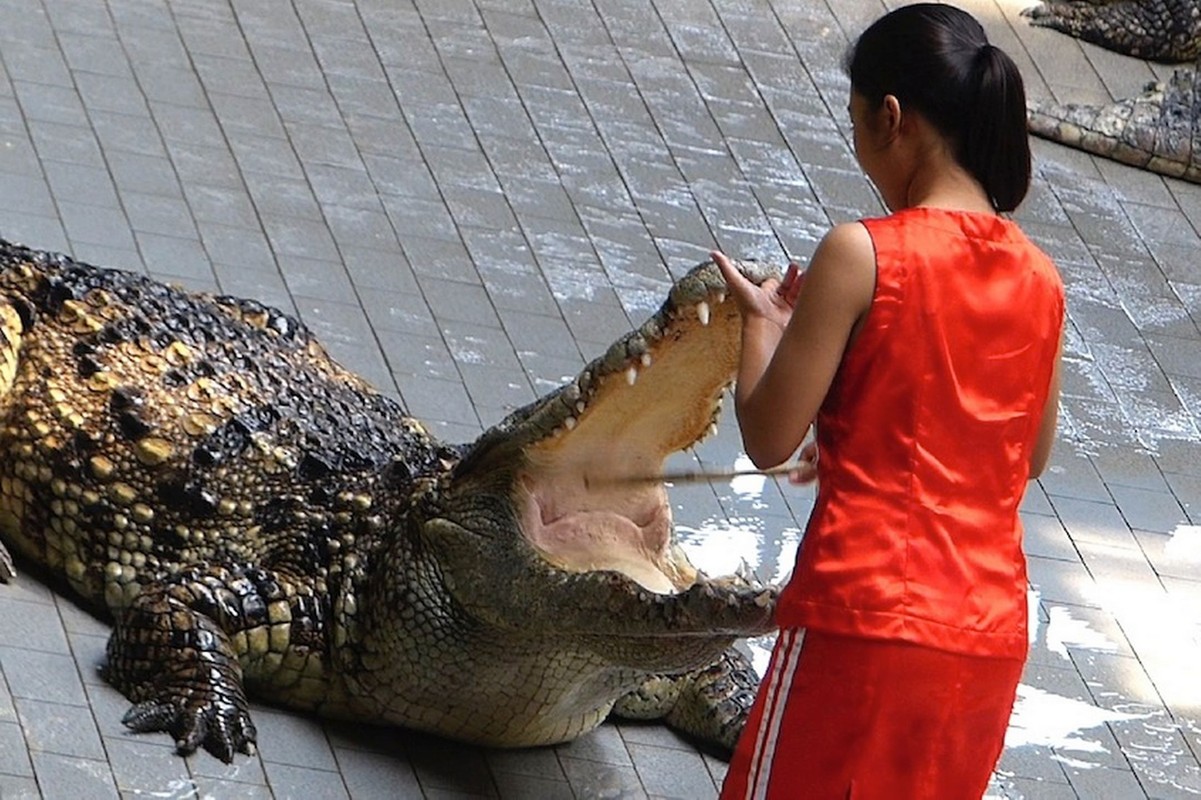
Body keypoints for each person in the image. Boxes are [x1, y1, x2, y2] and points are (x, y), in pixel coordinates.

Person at [712, 4, 1065, 799]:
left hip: (863, 617)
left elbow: (768, 436)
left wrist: (759, 326)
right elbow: (1025, 456)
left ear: (892, 117)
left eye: (855, 120)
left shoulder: (860, 252)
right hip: (984, 635)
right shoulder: (1040, 278)